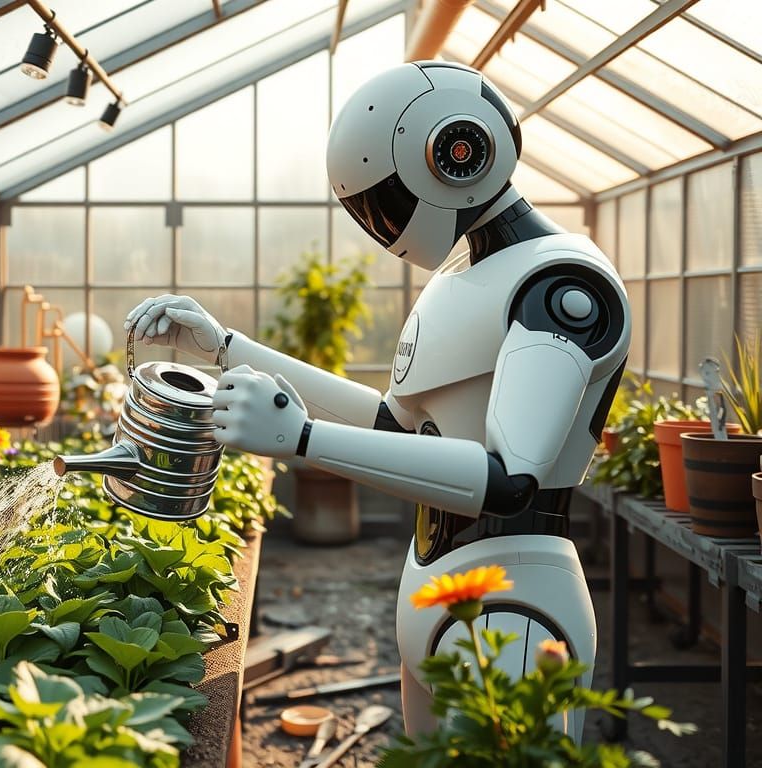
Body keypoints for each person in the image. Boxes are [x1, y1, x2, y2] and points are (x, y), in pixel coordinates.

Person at [124, 61, 630, 740]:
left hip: (511, 598)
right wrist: (226, 348)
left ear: (456, 152)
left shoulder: (560, 281)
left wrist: (302, 439)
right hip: (446, 586)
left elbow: (510, 483)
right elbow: (396, 423)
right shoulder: (474, 270)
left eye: (383, 203)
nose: (383, 226)